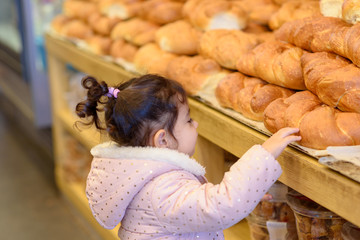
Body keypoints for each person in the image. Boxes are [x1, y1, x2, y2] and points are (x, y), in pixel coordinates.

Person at [75, 74, 301, 240]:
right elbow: (221, 205)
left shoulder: (142, 177)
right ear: (162, 140)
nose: (196, 124)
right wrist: (265, 153)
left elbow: (199, 202)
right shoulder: (161, 189)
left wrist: (250, 192)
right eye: (188, 120)